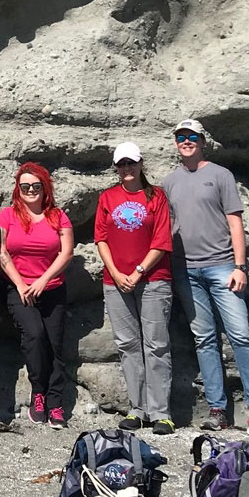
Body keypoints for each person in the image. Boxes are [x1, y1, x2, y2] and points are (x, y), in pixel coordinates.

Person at [162, 119, 249, 437]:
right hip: (186, 271)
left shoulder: (221, 175)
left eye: (191, 136)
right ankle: (217, 409)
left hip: (223, 267)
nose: (186, 141)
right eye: (181, 137)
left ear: (203, 141)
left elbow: (235, 223)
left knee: (241, 336)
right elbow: (166, 228)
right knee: (204, 339)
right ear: (176, 143)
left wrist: (240, 266)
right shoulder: (168, 183)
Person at [94, 142, 175, 435]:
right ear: (116, 167)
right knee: (128, 345)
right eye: (121, 164)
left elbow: (162, 240)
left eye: (131, 163)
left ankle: (161, 413)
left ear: (141, 164)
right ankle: (137, 409)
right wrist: (116, 273)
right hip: (116, 281)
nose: (126, 169)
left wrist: (138, 271)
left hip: (153, 279)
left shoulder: (157, 197)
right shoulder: (108, 197)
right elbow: (101, 238)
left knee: (156, 344)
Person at [0, 162, 73, 430]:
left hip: (52, 289)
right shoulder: (7, 215)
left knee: (55, 345)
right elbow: (1, 252)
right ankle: (37, 392)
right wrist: (20, 284)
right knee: (35, 334)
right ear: (18, 189)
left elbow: (66, 253)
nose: (30, 190)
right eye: (24, 186)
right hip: (18, 288)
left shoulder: (58, 216)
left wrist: (43, 281)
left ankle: (56, 402)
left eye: (36, 186)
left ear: (45, 189)